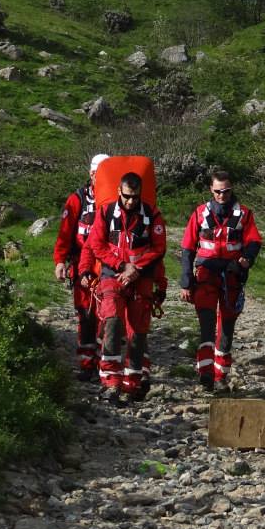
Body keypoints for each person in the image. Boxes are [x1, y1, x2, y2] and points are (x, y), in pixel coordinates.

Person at [81, 171, 166, 405]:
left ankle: (132, 383)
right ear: (119, 191)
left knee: (137, 333)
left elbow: (158, 249)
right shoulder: (106, 213)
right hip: (113, 276)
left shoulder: (152, 215)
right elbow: (96, 245)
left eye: (134, 197)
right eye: (127, 196)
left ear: (140, 194)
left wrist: (136, 269)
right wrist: (121, 265)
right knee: (112, 323)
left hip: (141, 279)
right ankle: (111, 382)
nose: (130, 201)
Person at [180, 170, 262, 392]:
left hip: (231, 276)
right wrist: (186, 281)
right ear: (211, 190)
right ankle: (205, 373)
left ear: (231, 189)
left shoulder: (244, 214)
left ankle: (221, 376)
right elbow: (187, 248)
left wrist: (247, 259)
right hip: (206, 275)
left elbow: (254, 241)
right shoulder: (200, 213)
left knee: (226, 328)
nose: (221, 195)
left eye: (225, 191)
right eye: (217, 191)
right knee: (206, 326)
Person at [53, 153, 109, 381]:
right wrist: (60, 261)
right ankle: (87, 364)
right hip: (81, 266)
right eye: (98, 174)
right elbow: (65, 233)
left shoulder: (117, 200)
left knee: (107, 316)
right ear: (91, 174)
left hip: (108, 266)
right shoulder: (78, 200)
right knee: (85, 315)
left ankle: (106, 364)